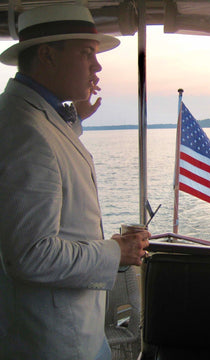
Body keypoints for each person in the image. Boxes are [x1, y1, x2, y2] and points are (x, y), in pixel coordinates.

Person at [0, 4, 149, 360]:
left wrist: (72, 118)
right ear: (48, 56)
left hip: (68, 332)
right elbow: (30, 256)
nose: (96, 67)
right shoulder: (26, 132)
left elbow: (50, 147)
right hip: (55, 342)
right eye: (86, 55)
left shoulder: (28, 115)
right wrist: (116, 251)